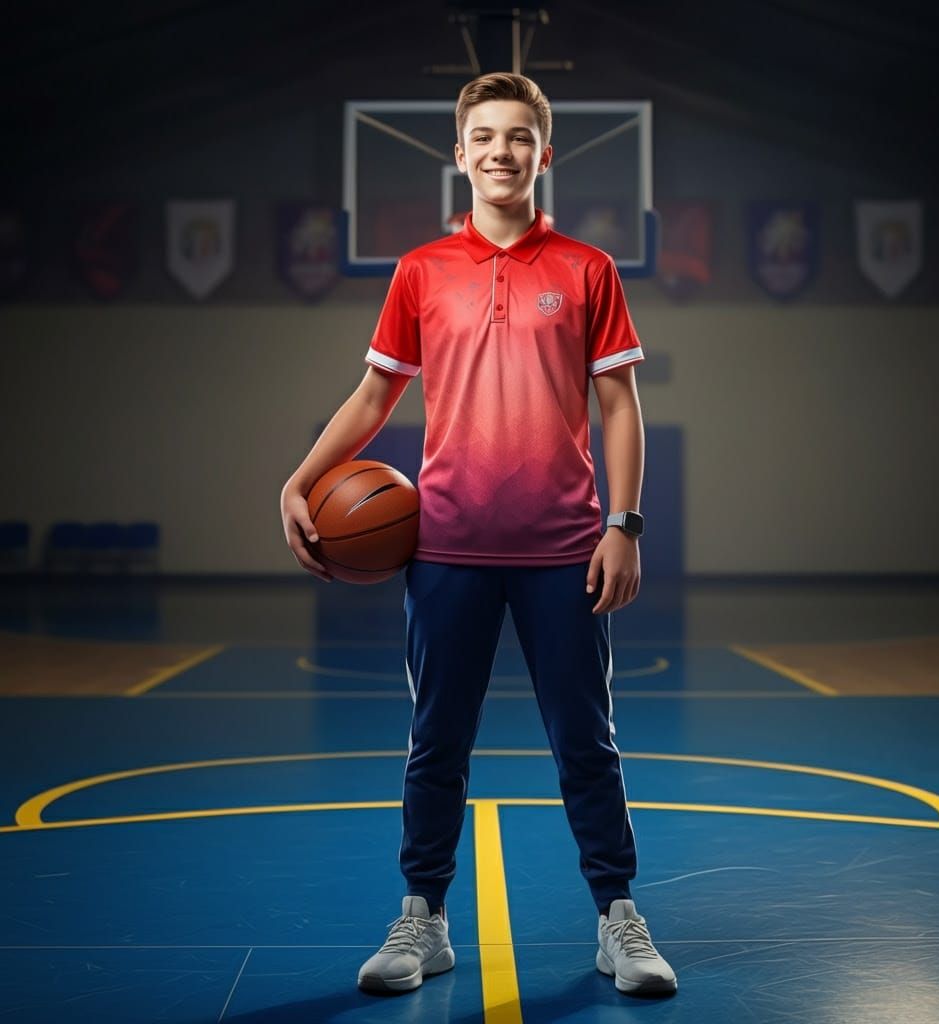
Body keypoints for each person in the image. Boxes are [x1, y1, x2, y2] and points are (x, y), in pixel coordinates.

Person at [280, 72, 676, 998]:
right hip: (446, 547)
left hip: (563, 550)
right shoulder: (420, 270)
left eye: (519, 137)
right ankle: (422, 917)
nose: (502, 151)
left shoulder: (588, 268)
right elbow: (375, 393)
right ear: (459, 155)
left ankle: (618, 919)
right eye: (486, 137)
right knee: (436, 743)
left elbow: (620, 405)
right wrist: (300, 478)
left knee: (587, 743)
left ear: (545, 154)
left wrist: (623, 524)